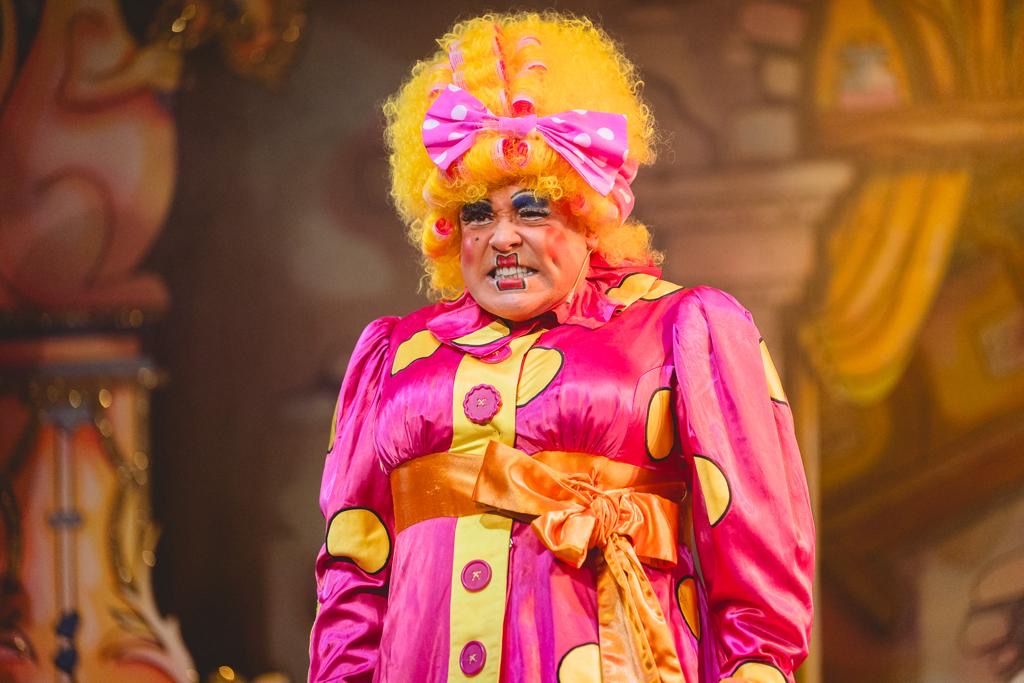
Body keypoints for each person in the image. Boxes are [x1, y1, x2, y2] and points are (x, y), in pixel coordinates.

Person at [309, 12, 814, 683]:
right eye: (477, 213)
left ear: (586, 210)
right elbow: (352, 579)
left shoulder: (683, 328)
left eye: (531, 208)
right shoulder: (392, 356)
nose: (502, 238)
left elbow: (758, 570)